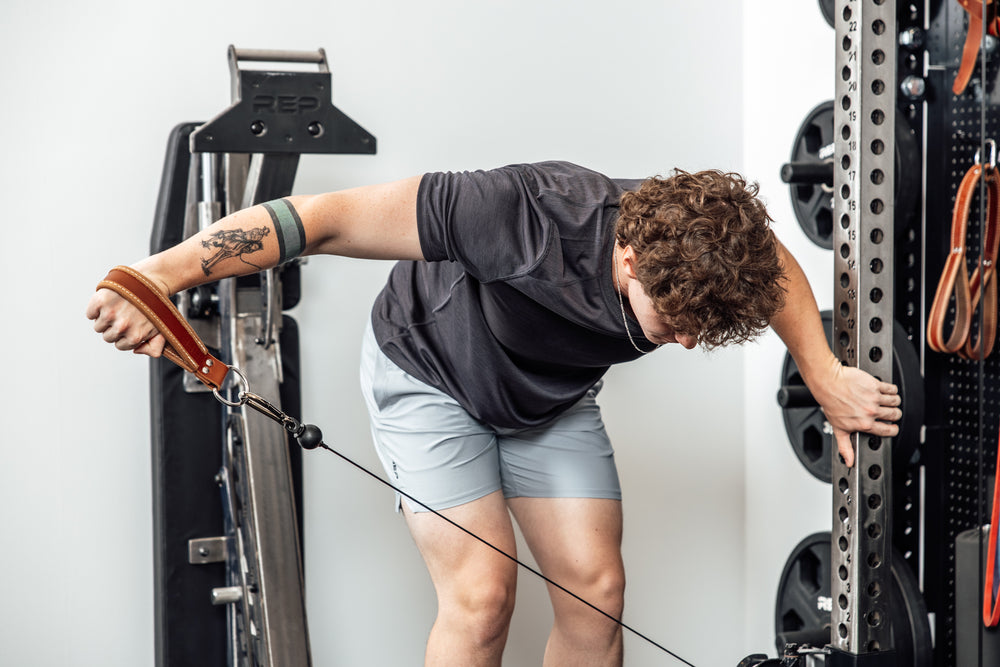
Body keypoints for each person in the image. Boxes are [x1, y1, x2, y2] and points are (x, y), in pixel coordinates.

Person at [87, 160, 901, 667]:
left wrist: (823, 371)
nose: (685, 342)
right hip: (432, 377)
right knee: (482, 598)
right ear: (626, 255)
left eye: (700, 329)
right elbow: (319, 220)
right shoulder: (519, 214)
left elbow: (774, 261)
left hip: (547, 395)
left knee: (598, 591)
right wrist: (153, 276)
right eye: (673, 321)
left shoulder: (698, 241)